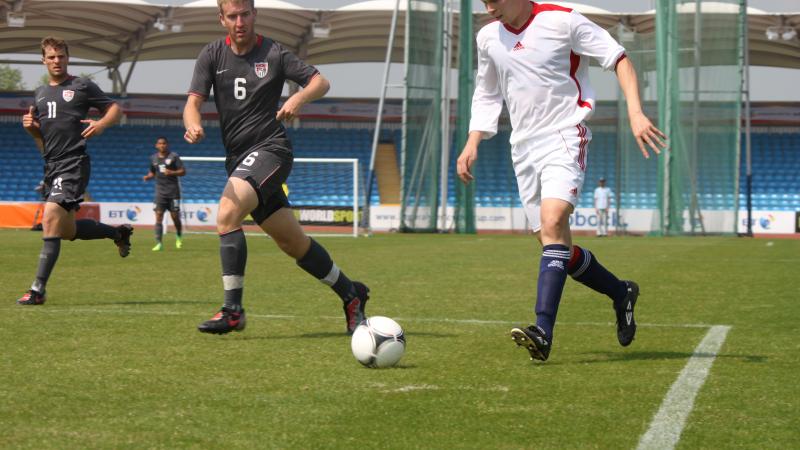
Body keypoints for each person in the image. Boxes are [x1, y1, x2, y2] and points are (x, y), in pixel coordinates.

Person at [457, 1, 667, 361]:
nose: (489, 7)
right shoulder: (488, 37)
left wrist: (635, 112)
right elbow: (487, 92)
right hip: (522, 149)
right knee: (555, 248)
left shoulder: (562, 20)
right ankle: (621, 293)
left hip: (564, 135)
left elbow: (618, 57)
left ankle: (543, 331)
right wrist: (473, 139)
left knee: (554, 222)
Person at [183, 0, 369, 335]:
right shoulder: (211, 55)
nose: (240, 21)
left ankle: (233, 310)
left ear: (255, 14)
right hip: (238, 159)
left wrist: (297, 98)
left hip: (271, 150)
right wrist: (193, 124)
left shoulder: (274, 53)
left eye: (245, 14)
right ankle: (351, 294)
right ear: (221, 19)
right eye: (232, 16)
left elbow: (321, 82)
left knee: (227, 213)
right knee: (293, 243)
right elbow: (192, 103)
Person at [17, 36, 131, 306]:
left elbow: (115, 108)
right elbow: (42, 143)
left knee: (50, 218)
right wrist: (31, 130)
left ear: (68, 58)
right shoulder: (40, 94)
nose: (57, 61)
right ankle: (118, 233)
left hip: (74, 163)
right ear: (43, 60)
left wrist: (102, 124)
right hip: (52, 165)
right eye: (52, 57)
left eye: (61, 56)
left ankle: (37, 290)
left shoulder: (81, 85)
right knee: (66, 231)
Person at [143, 136, 186, 251]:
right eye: (160, 144)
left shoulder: (174, 157)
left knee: (175, 217)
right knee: (158, 217)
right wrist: (148, 177)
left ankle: (178, 236)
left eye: (164, 143)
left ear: (167, 145)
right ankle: (159, 243)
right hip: (160, 193)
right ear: (156, 145)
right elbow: (152, 172)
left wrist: (172, 172)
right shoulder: (153, 158)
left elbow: (183, 171)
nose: (162, 145)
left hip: (173, 192)